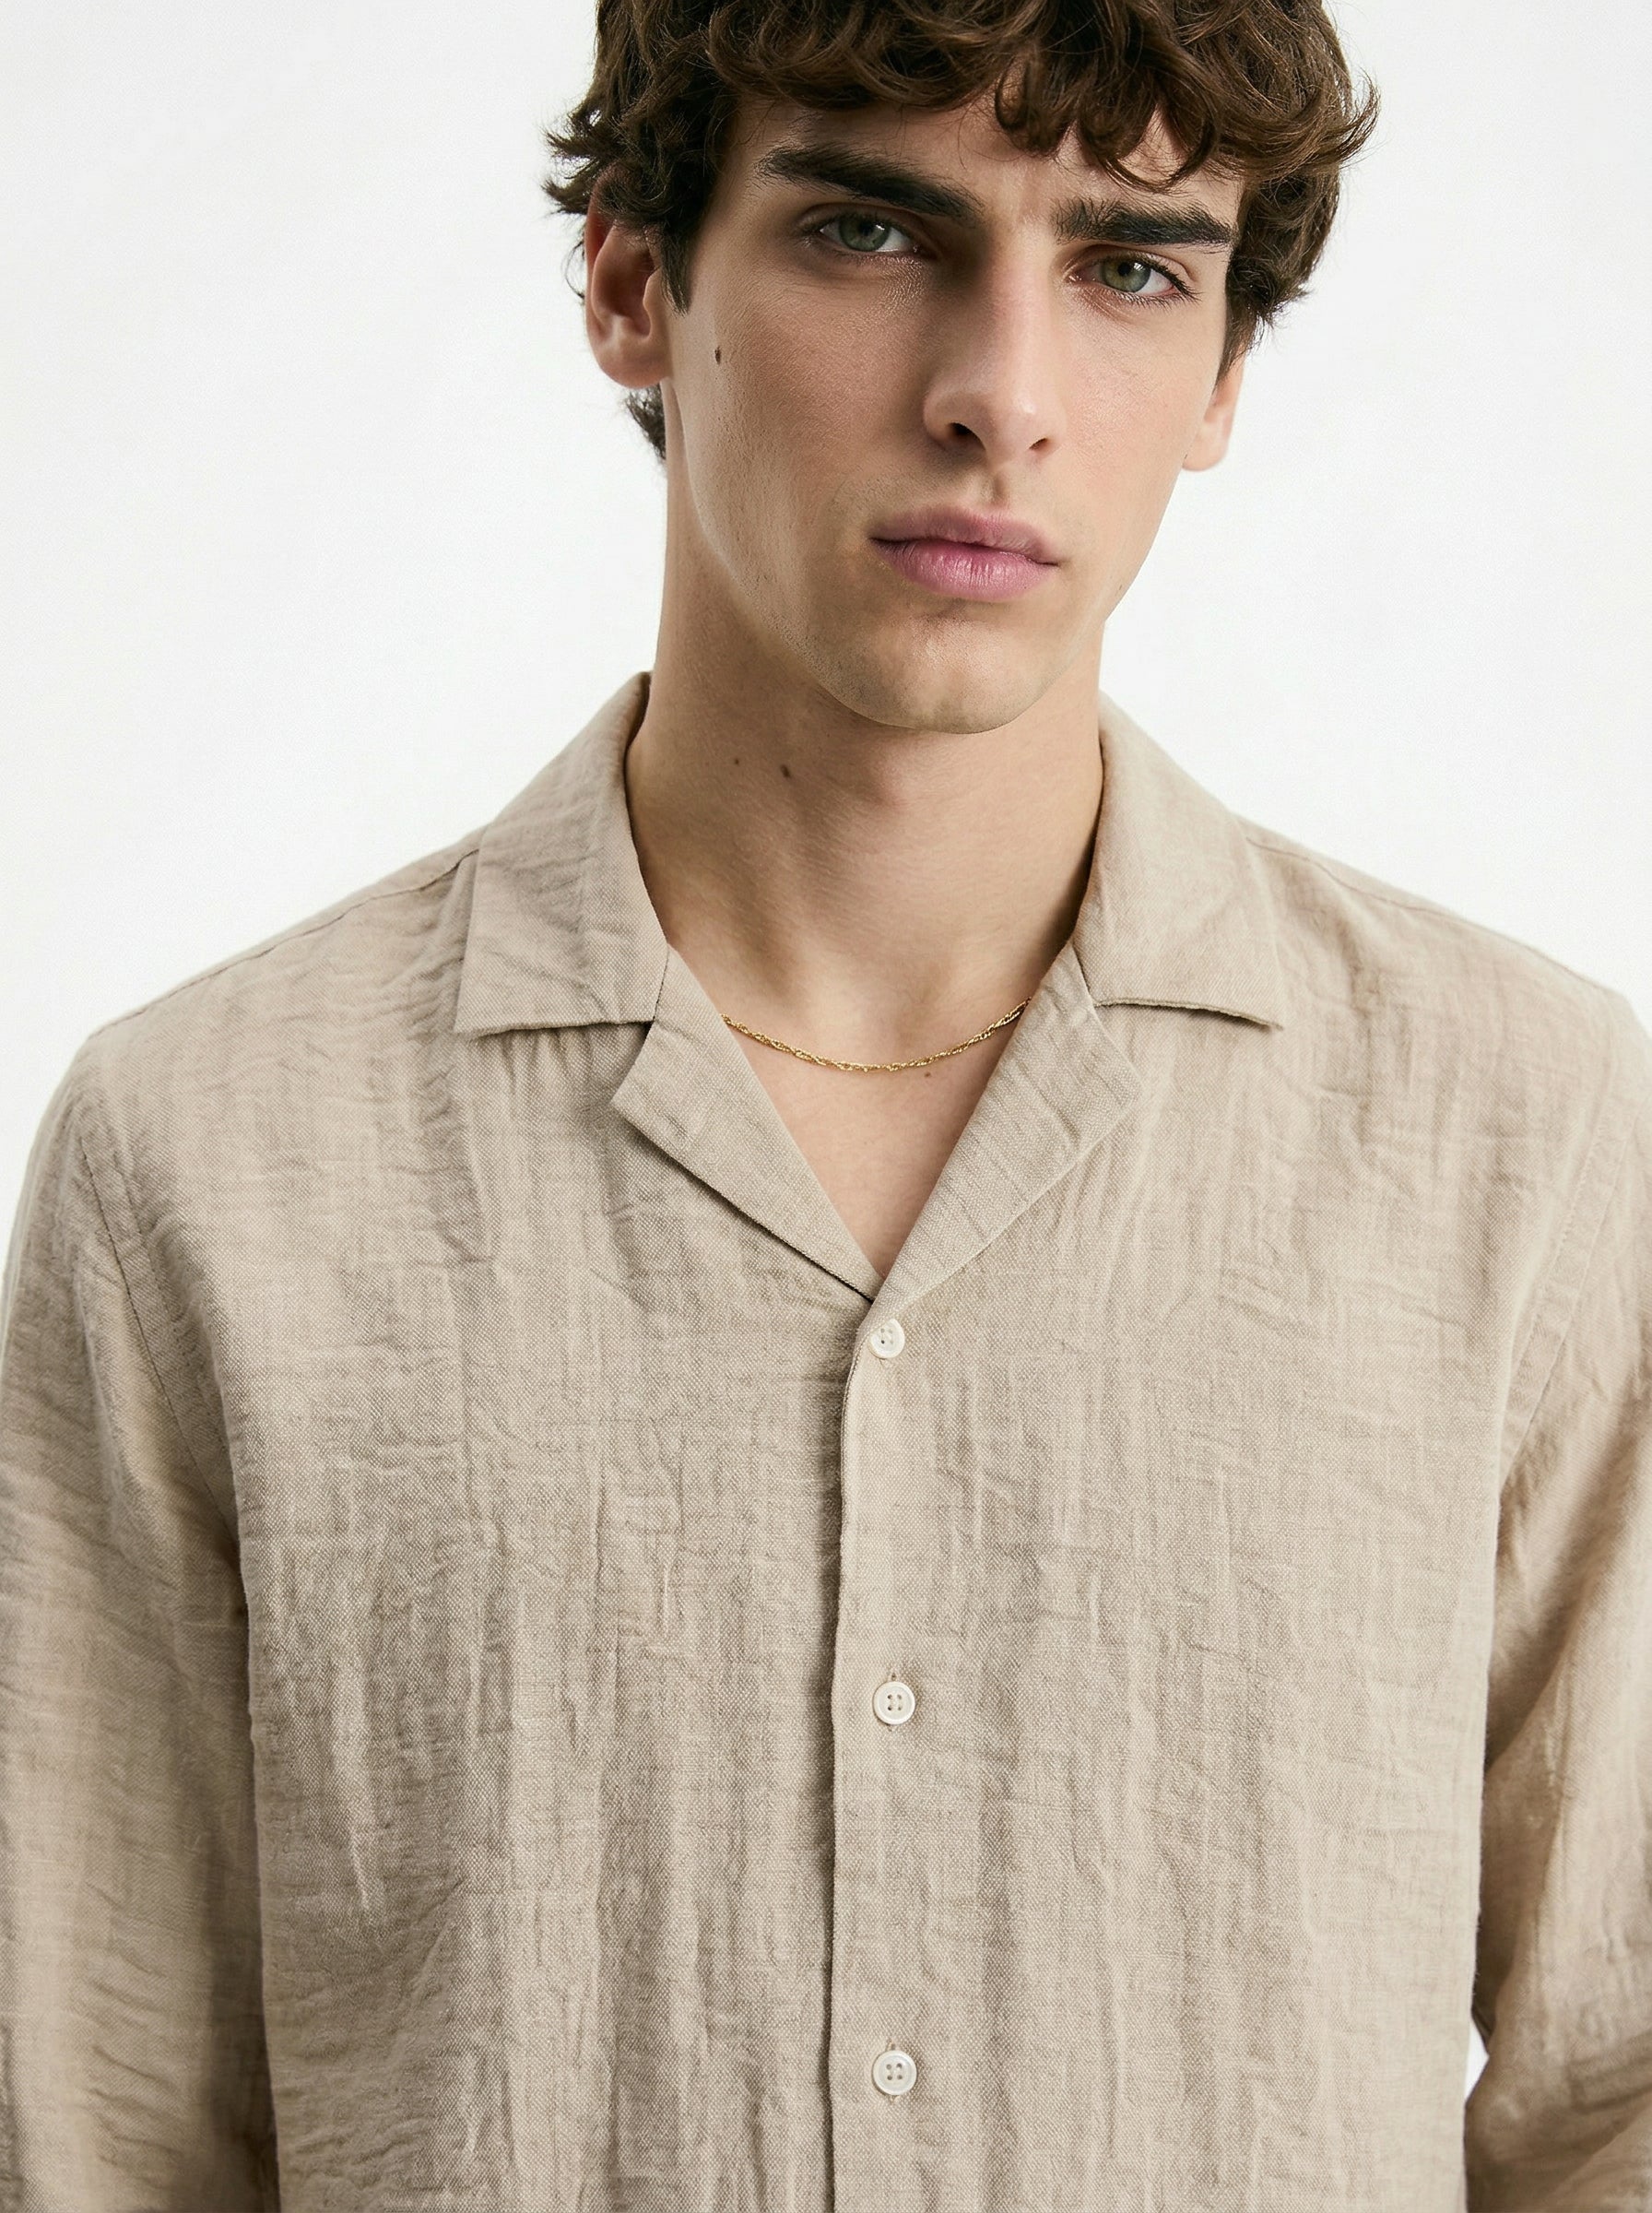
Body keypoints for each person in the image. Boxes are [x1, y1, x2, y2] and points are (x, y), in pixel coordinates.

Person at [2, 2, 1647, 2206]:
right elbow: (96, 2132)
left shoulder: (1518, 1140)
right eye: (872, 233)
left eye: (1126, 266)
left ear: (1222, 376)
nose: (1000, 393)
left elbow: (1615, 2098)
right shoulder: (206, 1159)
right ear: (630, 284)